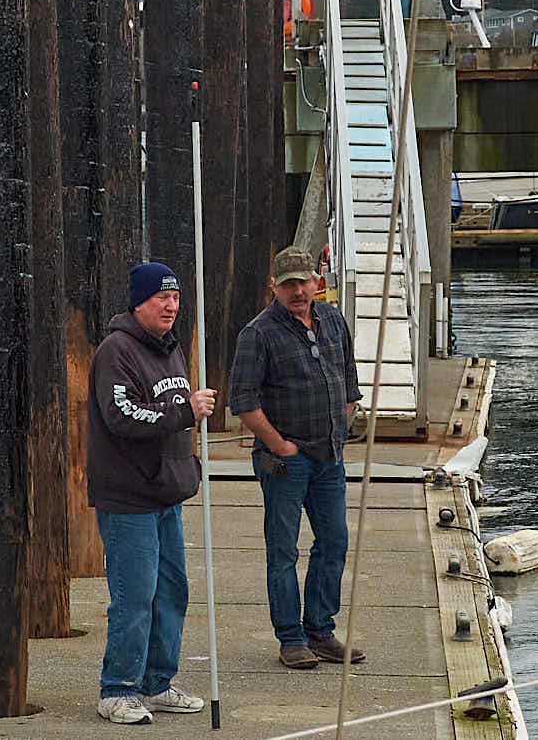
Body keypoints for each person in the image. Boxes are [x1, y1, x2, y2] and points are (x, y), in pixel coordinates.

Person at [87, 262, 216, 725]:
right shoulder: (116, 351)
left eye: (176, 298)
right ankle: (117, 688)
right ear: (138, 301)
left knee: (171, 592)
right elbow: (122, 413)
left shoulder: (171, 349)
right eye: (162, 297)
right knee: (134, 595)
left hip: (166, 494)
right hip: (128, 498)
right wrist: (184, 410)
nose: (171, 306)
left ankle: (156, 683)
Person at [229, 246, 365, 669]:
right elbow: (243, 402)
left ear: (316, 282)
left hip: (329, 454)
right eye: (289, 284)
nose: (298, 290)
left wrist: (343, 423)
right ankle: (291, 637)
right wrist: (279, 444)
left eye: (304, 282)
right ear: (274, 287)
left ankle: (320, 630)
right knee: (283, 549)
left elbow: (349, 381)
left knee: (335, 541)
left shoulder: (334, 321)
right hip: (287, 460)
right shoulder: (258, 333)